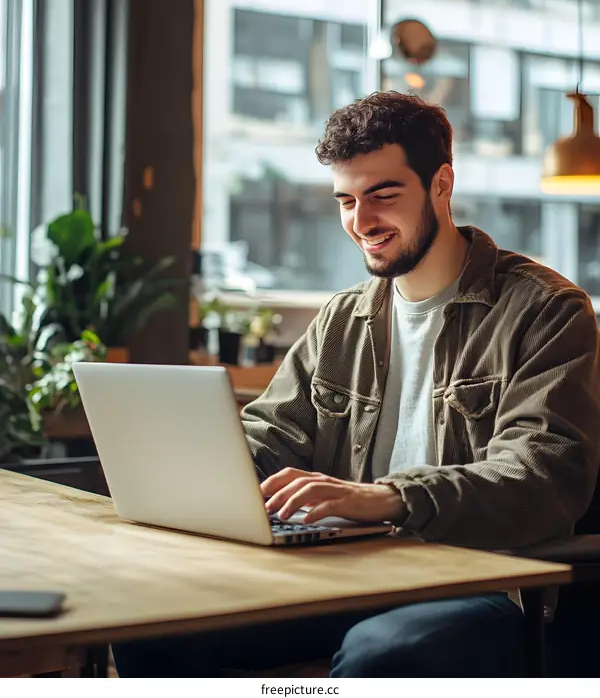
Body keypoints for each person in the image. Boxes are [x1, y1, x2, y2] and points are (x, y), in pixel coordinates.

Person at [113, 91, 600, 678]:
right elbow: (272, 434)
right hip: (352, 569)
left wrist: (390, 498)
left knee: (384, 654)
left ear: (441, 184)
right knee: (159, 627)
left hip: (484, 581)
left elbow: (538, 474)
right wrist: (190, 470)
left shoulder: (547, 311)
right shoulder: (344, 318)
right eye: (345, 200)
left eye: (383, 195)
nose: (361, 222)